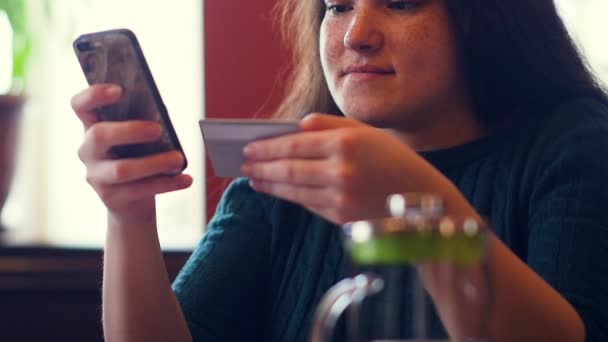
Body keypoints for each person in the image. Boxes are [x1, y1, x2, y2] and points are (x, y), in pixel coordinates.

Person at [70, 0, 608, 341]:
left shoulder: (575, 143)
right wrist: (130, 217)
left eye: (400, 3)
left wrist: (412, 197)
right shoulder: (286, 170)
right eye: (337, 5)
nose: (355, 35)